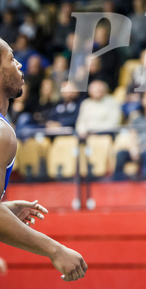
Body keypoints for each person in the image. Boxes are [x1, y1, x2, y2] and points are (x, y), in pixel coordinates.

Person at [0, 38, 88, 281]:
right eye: (10, 58)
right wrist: (55, 250)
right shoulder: (1, 132)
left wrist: (4, 210)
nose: (19, 64)